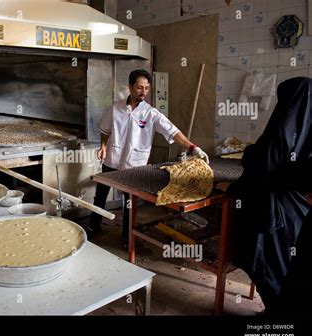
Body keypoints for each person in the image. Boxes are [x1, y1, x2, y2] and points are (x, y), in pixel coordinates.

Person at [217, 77, 312, 313]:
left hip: (270, 212)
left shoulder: (282, 130)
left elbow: (263, 164)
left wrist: (249, 153)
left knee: (267, 265)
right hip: (295, 211)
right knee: (284, 268)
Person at [88, 69, 209, 248]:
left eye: (146, 88)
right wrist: (103, 146)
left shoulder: (150, 113)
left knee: (129, 203)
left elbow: (173, 131)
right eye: (139, 88)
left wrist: (193, 147)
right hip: (112, 159)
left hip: (134, 164)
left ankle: (126, 238)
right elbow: (105, 130)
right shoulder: (116, 108)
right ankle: (93, 226)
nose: (143, 92)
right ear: (130, 87)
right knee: (101, 195)